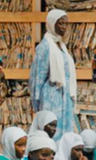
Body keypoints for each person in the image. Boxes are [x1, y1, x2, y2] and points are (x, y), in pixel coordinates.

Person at [30, 10, 78, 139]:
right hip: (51, 98)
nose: (64, 27)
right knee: (52, 133)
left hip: (65, 98)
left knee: (65, 135)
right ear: (52, 24)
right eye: (60, 23)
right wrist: (37, 105)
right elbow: (37, 78)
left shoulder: (61, 46)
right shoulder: (44, 47)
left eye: (66, 24)